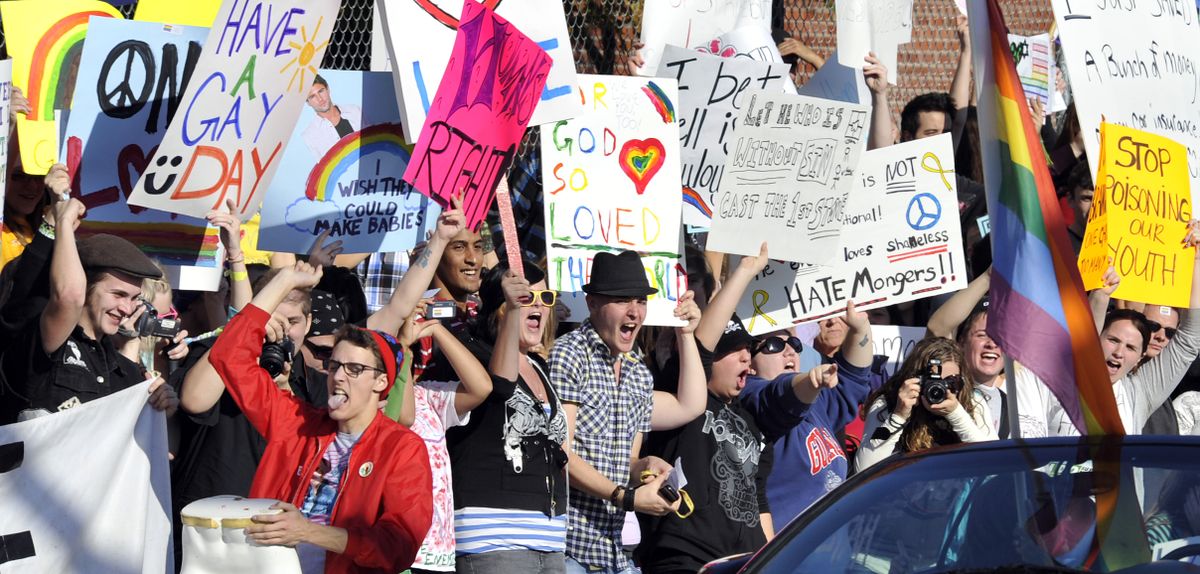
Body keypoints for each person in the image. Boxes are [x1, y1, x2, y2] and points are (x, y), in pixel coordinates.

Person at [209, 261, 433, 573]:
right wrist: (285, 281)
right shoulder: (297, 424)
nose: (339, 377)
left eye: (355, 369)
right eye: (334, 365)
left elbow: (398, 546)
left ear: (381, 382)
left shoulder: (402, 448)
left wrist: (307, 531)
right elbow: (228, 356)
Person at [549, 249, 706, 574]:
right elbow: (559, 454)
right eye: (622, 300)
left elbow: (689, 406)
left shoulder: (635, 368)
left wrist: (686, 334)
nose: (634, 311)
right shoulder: (570, 354)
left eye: (641, 300)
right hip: (569, 549)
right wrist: (626, 497)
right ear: (592, 304)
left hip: (615, 554)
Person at [0, 193, 179, 423]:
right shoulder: (46, 344)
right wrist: (62, 223)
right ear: (86, 287)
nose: (127, 307)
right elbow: (68, 297)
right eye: (118, 294)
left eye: (135, 298)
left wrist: (162, 405)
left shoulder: (127, 371)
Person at [1017, 225, 1200, 437]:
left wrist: (1196, 259)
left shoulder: (1139, 393)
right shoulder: (1061, 377)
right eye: (1113, 340)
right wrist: (1101, 296)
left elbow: (1190, 338)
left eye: (1131, 347)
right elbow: (1084, 337)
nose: (1119, 352)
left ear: (1140, 357)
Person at [448, 262, 569, 573]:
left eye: (545, 298)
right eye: (526, 297)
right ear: (500, 308)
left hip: (550, 540)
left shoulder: (540, 366)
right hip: (494, 541)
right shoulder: (474, 354)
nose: (539, 306)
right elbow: (501, 385)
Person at [636, 317, 777, 574]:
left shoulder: (750, 422)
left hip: (745, 563)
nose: (746, 356)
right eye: (733, 349)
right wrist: (743, 274)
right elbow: (698, 348)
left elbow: (758, 500)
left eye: (748, 348)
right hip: (687, 560)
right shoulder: (681, 401)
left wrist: (770, 561)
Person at [856, 337, 995, 470]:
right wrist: (898, 415)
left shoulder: (973, 402)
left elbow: (994, 461)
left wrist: (956, 414)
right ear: (914, 379)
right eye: (933, 381)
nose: (941, 389)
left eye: (952, 382)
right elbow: (865, 468)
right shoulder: (887, 403)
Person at [302, 74, 362, 159]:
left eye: (321, 91)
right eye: (312, 96)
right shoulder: (310, 136)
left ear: (328, 89)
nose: (320, 99)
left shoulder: (355, 111)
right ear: (308, 102)